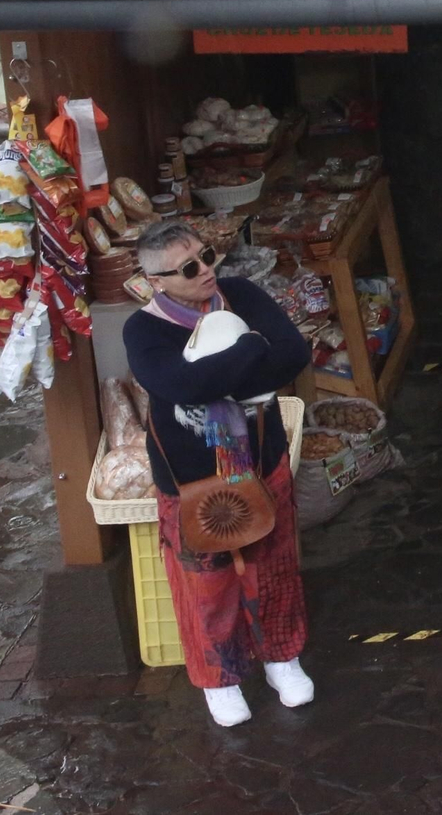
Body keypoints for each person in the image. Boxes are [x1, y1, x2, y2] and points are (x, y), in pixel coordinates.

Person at [123, 220, 314, 728]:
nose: (206, 270)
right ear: (157, 281)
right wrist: (250, 347)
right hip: (191, 476)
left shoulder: (242, 293)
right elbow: (180, 385)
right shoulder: (143, 330)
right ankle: (219, 678)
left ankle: (281, 656)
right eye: (189, 268)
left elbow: (294, 354)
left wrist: (216, 378)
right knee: (205, 579)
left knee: (273, 561)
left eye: (207, 256)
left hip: (260, 456)